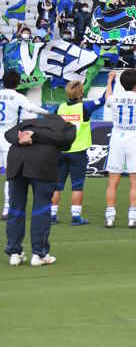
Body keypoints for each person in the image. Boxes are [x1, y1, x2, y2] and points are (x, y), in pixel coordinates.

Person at [4, 113, 76, 266]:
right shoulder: (67, 127)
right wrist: (35, 136)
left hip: (16, 163)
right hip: (42, 165)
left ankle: (14, 253)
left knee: (16, 209)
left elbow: (8, 134)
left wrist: (27, 136)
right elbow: (65, 140)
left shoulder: (28, 123)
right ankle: (39, 254)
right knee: (41, 210)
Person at [104, 69, 136, 229]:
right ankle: (132, 217)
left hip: (117, 141)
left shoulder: (114, 98)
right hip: (133, 142)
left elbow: (107, 98)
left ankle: (110, 217)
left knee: (113, 182)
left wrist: (109, 80)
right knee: (135, 183)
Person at [51, 80, 106, 226]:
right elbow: (103, 99)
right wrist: (111, 82)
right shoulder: (84, 107)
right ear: (81, 93)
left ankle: (52, 214)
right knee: (77, 185)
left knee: (57, 185)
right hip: (78, 152)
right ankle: (75, 216)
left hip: (61, 151)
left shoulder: (59, 108)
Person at [0, 71, 48, 221]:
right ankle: (7, 208)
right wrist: (49, 114)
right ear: (18, 83)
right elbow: (33, 109)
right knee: (10, 173)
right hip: (8, 136)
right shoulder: (18, 97)